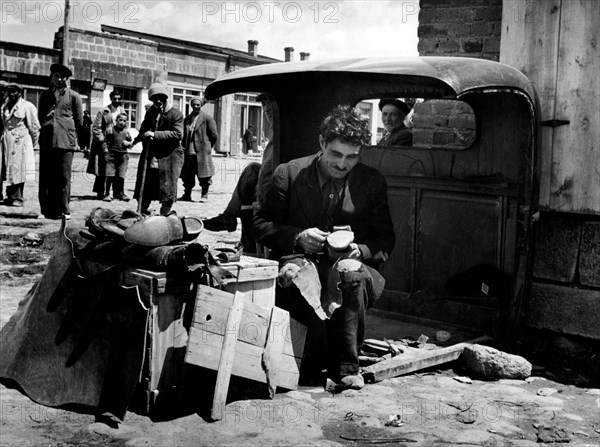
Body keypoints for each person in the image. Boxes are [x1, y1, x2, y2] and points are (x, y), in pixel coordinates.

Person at [252, 105, 395, 388]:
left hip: (349, 268)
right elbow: (260, 224)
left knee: (350, 273)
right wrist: (297, 236)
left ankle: (345, 367)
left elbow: (385, 237)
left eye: (352, 157)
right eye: (336, 154)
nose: (343, 164)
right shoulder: (289, 173)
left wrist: (362, 251)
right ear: (321, 143)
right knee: (299, 276)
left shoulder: (372, 181)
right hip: (300, 259)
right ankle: (305, 365)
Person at [203, 93, 274, 234]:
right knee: (252, 168)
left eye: (269, 103)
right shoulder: (274, 128)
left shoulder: (280, 130)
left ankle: (229, 217)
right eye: (263, 104)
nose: (266, 108)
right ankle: (229, 216)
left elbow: (270, 168)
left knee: (248, 189)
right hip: (270, 183)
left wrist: (261, 195)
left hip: (275, 190)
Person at [38, 63, 83, 220]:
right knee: (46, 177)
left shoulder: (74, 96)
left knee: (63, 177)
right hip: (47, 140)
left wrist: (78, 141)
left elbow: (79, 121)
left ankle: (64, 210)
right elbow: (40, 116)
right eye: (56, 75)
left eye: (62, 76)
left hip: (66, 141)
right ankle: (46, 211)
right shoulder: (45, 96)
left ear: (67, 79)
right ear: (52, 77)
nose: (59, 79)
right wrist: (47, 124)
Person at [133, 83, 184, 216]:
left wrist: (154, 134)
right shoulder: (151, 112)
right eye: (155, 98)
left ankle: (165, 214)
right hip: (152, 154)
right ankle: (142, 210)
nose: (158, 101)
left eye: (161, 98)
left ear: (166, 98)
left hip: (170, 155)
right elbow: (144, 129)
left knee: (168, 185)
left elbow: (178, 134)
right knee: (148, 182)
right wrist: (134, 141)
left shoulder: (176, 114)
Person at [0, 83, 40, 206]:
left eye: (14, 91)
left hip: (20, 141)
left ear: (19, 92)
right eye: (9, 91)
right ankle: (9, 196)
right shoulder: (5, 106)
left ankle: (17, 198)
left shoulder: (27, 106)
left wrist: (34, 144)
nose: (11, 94)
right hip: (6, 140)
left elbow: (34, 127)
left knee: (18, 169)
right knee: (7, 168)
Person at [178, 95, 218, 203]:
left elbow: (214, 135)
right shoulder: (187, 119)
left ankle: (204, 195)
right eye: (194, 105)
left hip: (202, 152)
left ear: (201, 105)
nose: (196, 106)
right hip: (189, 151)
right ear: (190, 105)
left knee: (204, 176)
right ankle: (187, 195)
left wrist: (207, 147)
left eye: (198, 105)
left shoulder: (207, 118)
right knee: (187, 176)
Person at [88, 89, 125, 200]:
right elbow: (96, 128)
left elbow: (124, 125)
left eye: (119, 99)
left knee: (117, 169)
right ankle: (101, 192)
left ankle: (117, 192)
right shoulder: (104, 111)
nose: (117, 100)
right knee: (102, 169)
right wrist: (102, 139)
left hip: (117, 143)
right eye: (115, 99)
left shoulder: (122, 110)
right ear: (111, 99)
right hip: (105, 143)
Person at [104, 112, 133, 201]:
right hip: (111, 155)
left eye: (124, 121)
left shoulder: (126, 132)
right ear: (116, 120)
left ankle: (121, 193)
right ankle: (107, 193)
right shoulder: (110, 130)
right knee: (110, 175)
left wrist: (128, 143)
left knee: (121, 175)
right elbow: (105, 141)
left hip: (123, 155)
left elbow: (131, 143)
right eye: (120, 120)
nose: (122, 122)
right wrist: (105, 150)